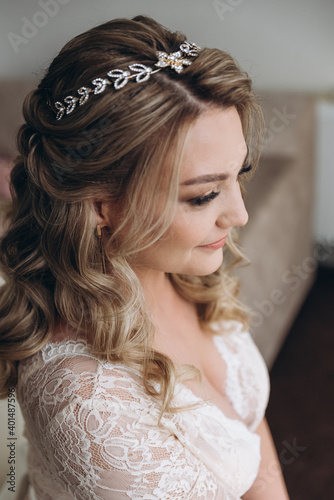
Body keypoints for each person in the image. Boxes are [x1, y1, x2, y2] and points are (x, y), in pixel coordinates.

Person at [0, 15, 290, 500]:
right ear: (100, 205)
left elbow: (250, 435)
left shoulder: (179, 271)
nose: (238, 214)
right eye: (202, 196)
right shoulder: (89, 408)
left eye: (237, 175)